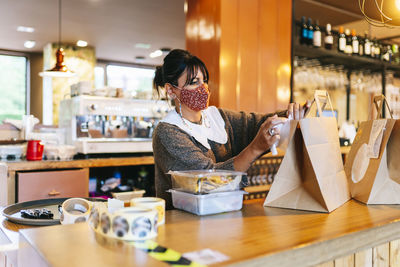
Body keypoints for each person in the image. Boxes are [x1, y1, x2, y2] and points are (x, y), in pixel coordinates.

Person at [152, 49, 310, 209]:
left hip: (227, 215)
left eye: (204, 80)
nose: (203, 88)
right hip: (183, 225)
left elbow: (256, 123)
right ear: (171, 90)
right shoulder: (168, 131)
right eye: (194, 82)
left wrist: (291, 115)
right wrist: (255, 148)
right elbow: (207, 181)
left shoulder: (218, 117)